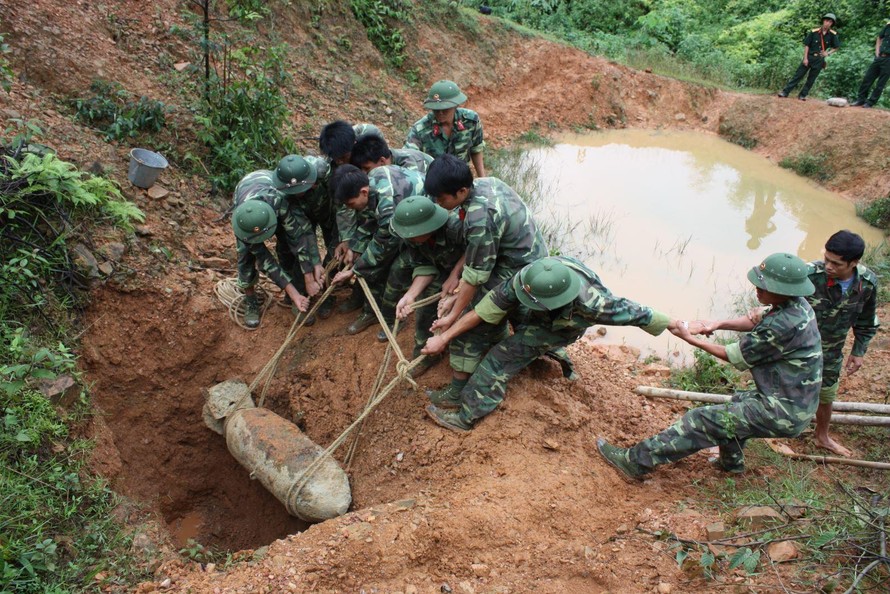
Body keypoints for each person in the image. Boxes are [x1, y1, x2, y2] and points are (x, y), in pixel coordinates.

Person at [597, 253, 823, 480]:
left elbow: (734, 355)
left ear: (784, 290)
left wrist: (691, 339)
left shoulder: (781, 324)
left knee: (700, 419)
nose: (757, 288)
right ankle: (731, 465)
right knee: (736, 405)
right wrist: (717, 323)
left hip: (782, 411)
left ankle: (633, 462)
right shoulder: (798, 306)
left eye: (764, 285)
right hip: (796, 403)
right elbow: (756, 320)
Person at [421, 256, 677, 431]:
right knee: (517, 317)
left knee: (501, 358)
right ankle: (553, 354)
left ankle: (466, 416)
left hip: (565, 325)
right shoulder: (525, 279)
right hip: (542, 308)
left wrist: (680, 326)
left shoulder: (595, 306)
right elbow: (483, 310)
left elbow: (640, 314)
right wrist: (444, 337)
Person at [422, 154, 547, 405]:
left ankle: (458, 391)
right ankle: (498, 338)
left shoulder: (481, 217)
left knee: (472, 314)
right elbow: (476, 249)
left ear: (462, 191)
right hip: (525, 256)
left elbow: (475, 278)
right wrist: (455, 279)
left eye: (441, 198)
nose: (437, 202)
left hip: (520, 268)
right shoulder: (486, 183)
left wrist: (452, 314)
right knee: (474, 308)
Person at [804, 232, 880, 456]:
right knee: (784, 386)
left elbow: (867, 320)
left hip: (830, 351)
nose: (828, 266)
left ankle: (822, 436)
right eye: (826, 259)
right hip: (795, 346)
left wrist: (858, 352)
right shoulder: (809, 275)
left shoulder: (866, 284)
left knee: (826, 395)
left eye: (836, 263)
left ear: (854, 263)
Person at [329, 164, 426, 335]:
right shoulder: (370, 182)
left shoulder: (388, 205)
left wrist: (353, 271)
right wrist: (355, 247)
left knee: (395, 269)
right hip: (401, 222)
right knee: (372, 263)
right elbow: (370, 219)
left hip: (423, 227)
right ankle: (371, 311)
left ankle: (392, 319)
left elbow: (384, 244)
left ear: (364, 192)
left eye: (351, 204)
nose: (350, 208)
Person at [231, 155, 318, 328]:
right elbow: (265, 261)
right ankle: (251, 301)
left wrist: (309, 277)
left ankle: (297, 294)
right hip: (245, 195)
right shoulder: (243, 224)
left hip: (267, 188)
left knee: (288, 245)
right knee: (246, 259)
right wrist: (293, 293)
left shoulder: (280, 201)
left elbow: (299, 239)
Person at [388, 196, 467, 377]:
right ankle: (427, 352)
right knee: (426, 305)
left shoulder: (457, 228)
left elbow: (476, 253)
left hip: (474, 271)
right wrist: (410, 295)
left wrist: (457, 277)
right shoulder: (412, 237)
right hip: (443, 270)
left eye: (413, 234)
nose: (409, 237)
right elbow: (425, 266)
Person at [319, 120, 385, 314]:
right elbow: (343, 202)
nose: (339, 161)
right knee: (339, 249)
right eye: (335, 158)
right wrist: (347, 237)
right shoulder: (332, 163)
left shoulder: (369, 138)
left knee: (372, 250)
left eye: (343, 157)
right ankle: (328, 291)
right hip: (354, 202)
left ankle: (361, 293)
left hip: (372, 202)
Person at [404, 80, 486, 177]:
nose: (440, 113)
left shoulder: (470, 121)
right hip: (435, 183)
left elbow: (476, 149)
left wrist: (483, 179)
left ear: (455, 105)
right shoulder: (420, 130)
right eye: (436, 110)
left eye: (445, 110)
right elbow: (408, 157)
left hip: (461, 181)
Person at [778, 14, 840, 101]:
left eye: (830, 22)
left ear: (832, 24)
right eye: (826, 21)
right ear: (823, 21)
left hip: (819, 60)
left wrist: (828, 53)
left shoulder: (833, 35)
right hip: (809, 56)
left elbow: (836, 47)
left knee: (811, 79)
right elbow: (807, 45)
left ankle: (803, 95)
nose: (827, 23)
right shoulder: (814, 32)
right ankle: (785, 92)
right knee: (798, 76)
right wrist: (805, 58)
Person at [851, 21, 890, 108]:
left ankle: (870, 102)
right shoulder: (888, 26)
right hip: (880, 57)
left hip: (889, 60)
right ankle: (860, 99)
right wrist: (877, 52)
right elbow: (879, 37)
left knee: (880, 84)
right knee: (868, 78)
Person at [350, 134, 433, 175]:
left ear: (382, 161)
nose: (364, 173)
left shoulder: (409, 164)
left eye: (367, 168)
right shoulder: (386, 158)